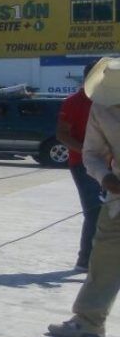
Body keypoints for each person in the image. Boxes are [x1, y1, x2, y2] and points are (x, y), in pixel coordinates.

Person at [49, 57, 120, 337]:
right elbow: (90, 153)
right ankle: (90, 320)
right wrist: (106, 177)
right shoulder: (100, 108)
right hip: (117, 197)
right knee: (103, 257)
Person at [57, 62, 103, 272]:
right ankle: (84, 260)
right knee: (94, 212)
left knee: (112, 212)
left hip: (110, 163)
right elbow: (62, 134)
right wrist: (88, 152)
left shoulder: (110, 100)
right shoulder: (73, 102)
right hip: (82, 165)